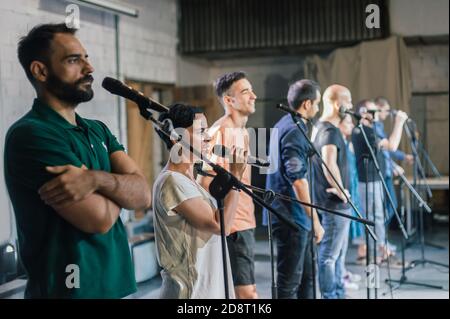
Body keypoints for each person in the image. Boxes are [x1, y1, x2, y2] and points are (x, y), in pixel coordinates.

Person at [4, 23, 151, 298]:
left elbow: (144, 196)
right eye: (74, 60)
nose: (89, 68)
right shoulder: (32, 135)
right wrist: (123, 187)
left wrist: (96, 179)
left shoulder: (98, 130)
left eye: (86, 58)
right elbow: (98, 219)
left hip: (115, 287)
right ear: (40, 70)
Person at [153, 103, 247, 298]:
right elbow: (221, 226)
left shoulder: (190, 179)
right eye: (200, 131)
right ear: (176, 136)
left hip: (207, 288)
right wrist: (236, 179)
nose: (207, 137)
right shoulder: (172, 181)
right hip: (192, 292)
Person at [198, 71, 258, 299]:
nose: (253, 96)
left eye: (251, 90)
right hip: (234, 227)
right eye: (245, 91)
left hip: (246, 221)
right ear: (229, 100)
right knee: (246, 295)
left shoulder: (242, 132)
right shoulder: (218, 133)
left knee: (247, 292)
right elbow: (203, 185)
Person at [263, 79, 324, 299]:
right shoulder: (293, 131)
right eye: (317, 103)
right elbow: (298, 180)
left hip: (295, 217)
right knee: (289, 282)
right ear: (307, 104)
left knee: (307, 279)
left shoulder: (284, 123)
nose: (318, 109)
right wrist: (315, 220)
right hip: (292, 218)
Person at [351, 99, 408, 263]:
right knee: (372, 217)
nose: (376, 114)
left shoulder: (370, 130)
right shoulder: (363, 131)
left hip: (375, 180)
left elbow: (383, 152)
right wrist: (399, 123)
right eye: (373, 111)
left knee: (378, 215)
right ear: (363, 113)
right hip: (368, 182)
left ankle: (380, 249)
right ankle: (375, 251)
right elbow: (391, 146)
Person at [311, 84, 353, 299]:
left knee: (336, 256)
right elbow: (329, 163)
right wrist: (342, 192)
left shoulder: (319, 127)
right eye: (349, 101)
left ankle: (337, 294)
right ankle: (331, 295)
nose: (352, 106)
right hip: (334, 204)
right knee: (329, 256)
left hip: (329, 204)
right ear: (338, 104)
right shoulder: (330, 130)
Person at [338, 114, 362, 290]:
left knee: (344, 240)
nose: (351, 125)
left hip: (351, 191)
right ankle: (339, 277)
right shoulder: (335, 143)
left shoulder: (347, 143)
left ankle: (342, 271)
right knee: (337, 242)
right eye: (347, 122)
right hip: (340, 196)